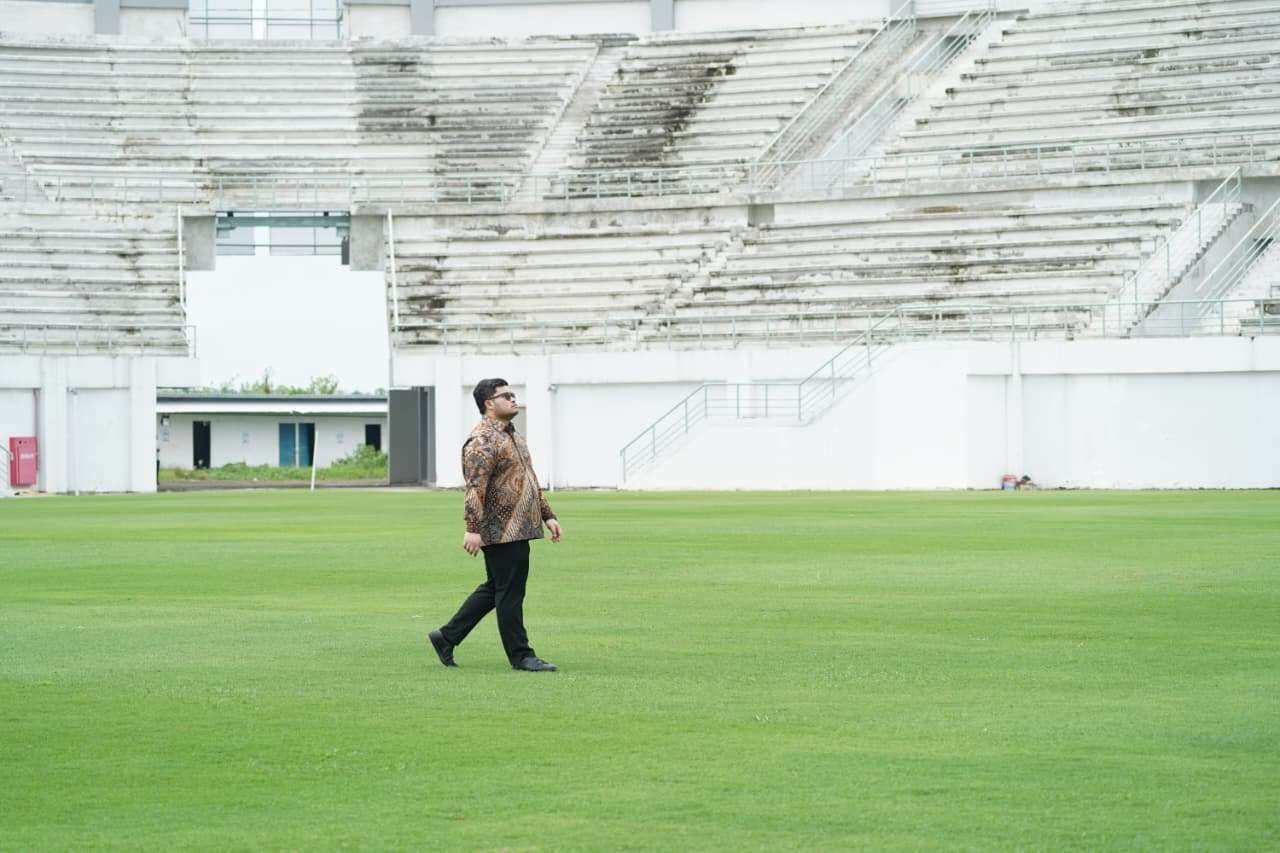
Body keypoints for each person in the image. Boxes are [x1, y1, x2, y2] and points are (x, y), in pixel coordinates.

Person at [428, 378, 563, 672]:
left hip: (520, 527)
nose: (513, 399)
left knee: (497, 588)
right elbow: (475, 487)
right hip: (501, 530)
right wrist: (472, 528)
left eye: (513, 394)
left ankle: (446, 637)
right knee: (510, 592)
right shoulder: (482, 441)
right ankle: (521, 655)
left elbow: (529, 479)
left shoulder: (512, 436)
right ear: (489, 404)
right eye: (506, 396)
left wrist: (548, 515)